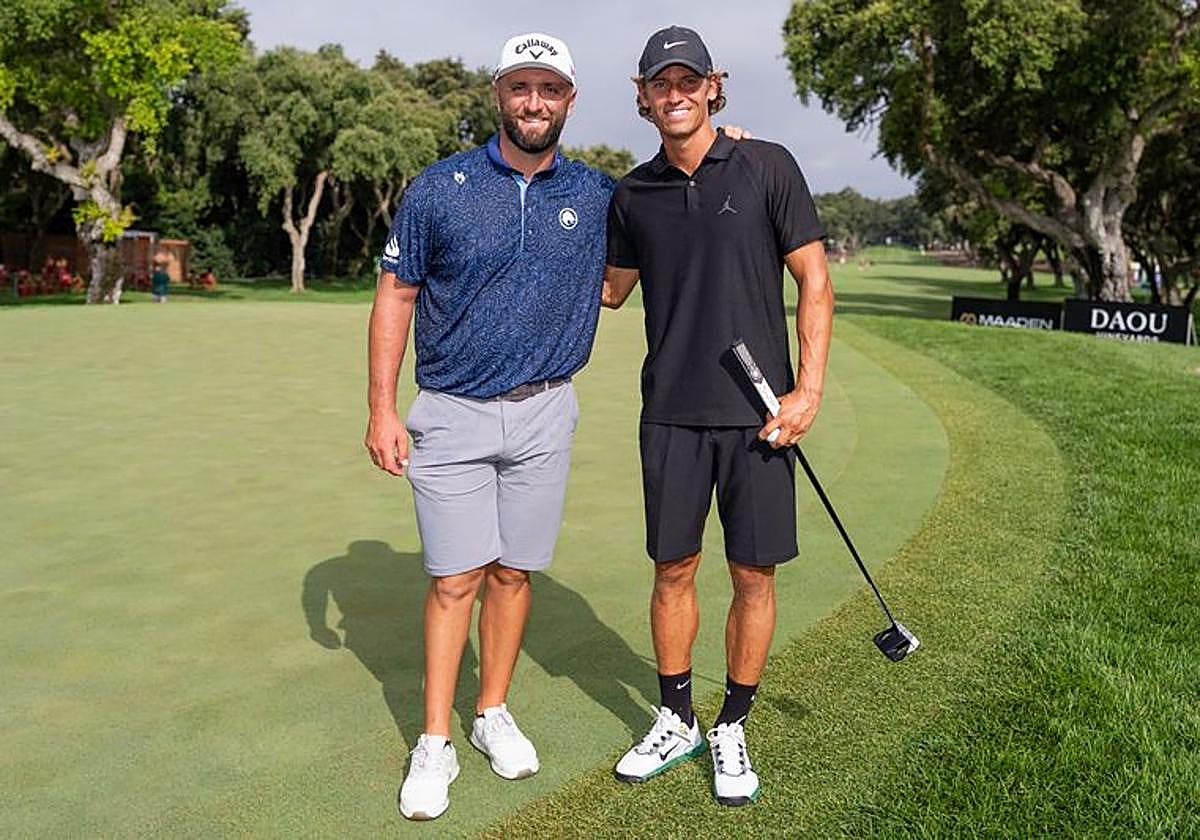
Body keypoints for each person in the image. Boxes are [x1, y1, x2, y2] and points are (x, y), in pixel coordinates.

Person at [363, 32, 614, 821]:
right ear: (498, 96)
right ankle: (434, 739)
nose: (533, 102)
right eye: (519, 88)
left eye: (549, 89)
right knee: (456, 579)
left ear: (569, 99)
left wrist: (727, 141)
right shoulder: (441, 188)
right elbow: (397, 295)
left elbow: (627, 272)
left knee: (513, 573)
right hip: (451, 413)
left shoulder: (599, 193)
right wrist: (379, 406)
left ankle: (491, 711)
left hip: (546, 411)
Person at [601, 25, 833, 807]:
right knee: (672, 569)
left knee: (752, 574)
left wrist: (809, 392)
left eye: (687, 81)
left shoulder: (767, 165)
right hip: (669, 410)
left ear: (712, 85)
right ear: (642, 96)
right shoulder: (631, 193)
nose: (674, 94)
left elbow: (815, 281)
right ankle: (677, 717)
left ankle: (733, 720)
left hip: (760, 414)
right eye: (659, 84)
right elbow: (609, 288)